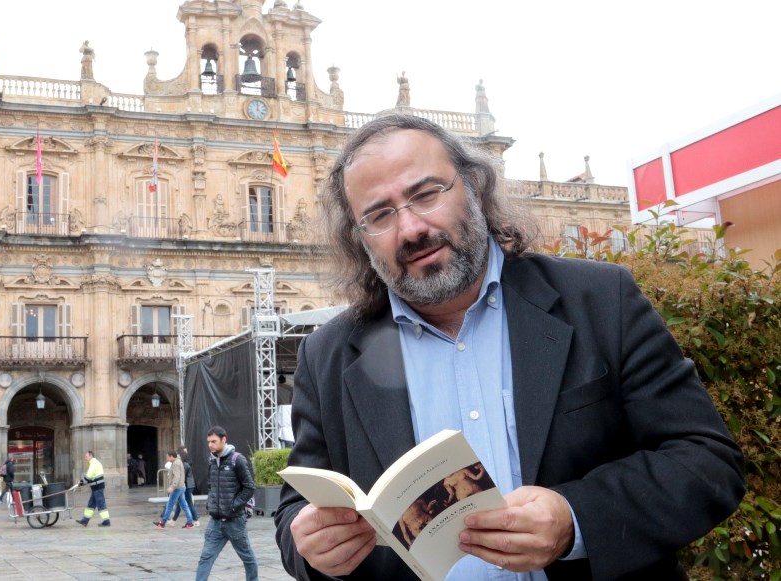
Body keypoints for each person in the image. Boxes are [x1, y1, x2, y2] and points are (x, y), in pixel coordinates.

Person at [273, 114, 746, 580]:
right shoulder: (328, 355)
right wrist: (310, 547)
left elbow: (706, 460)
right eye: (379, 214)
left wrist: (575, 519)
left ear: (476, 187)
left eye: (426, 194)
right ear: (359, 239)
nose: (411, 228)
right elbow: (297, 509)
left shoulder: (602, 300)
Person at [196, 426, 258, 581]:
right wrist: (211, 504)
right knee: (205, 558)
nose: (210, 445)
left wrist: (233, 506)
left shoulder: (238, 459)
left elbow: (249, 487)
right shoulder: (211, 460)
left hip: (235, 521)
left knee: (248, 558)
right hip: (216, 522)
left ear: (224, 439)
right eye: (208, 442)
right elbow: (211, 485)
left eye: (214, 441)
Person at [154, 451, 196, 529]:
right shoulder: (178, 462)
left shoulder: (176, 463)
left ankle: (162, 523)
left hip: (177, 488)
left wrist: (172, 487)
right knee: (184, 505)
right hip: (181, 486)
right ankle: (190, 522)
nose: (167, 458)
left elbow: (177, 476)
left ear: (171, 456)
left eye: (167, 457)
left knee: (170, 505)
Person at [76, 451, 110, 527]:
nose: (85, 458)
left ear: (91, 456)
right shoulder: (94, 463)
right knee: (91, 504)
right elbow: (91, 478)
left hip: (98, 487)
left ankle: (106, 521)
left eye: (86, 456)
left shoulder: (94, 463)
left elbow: (88, 476)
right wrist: (83, 483)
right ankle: (85, 520)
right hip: (96, 487)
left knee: (101, 504)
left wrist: (82, 481)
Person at [172, 446, 199, 525]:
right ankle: (173, 520)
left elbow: (182, 476)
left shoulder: (185, 464)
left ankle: (195, 520)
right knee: (180, 503)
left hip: (187, 485)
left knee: (188, 503)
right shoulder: (184, 463)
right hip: (187, 485)